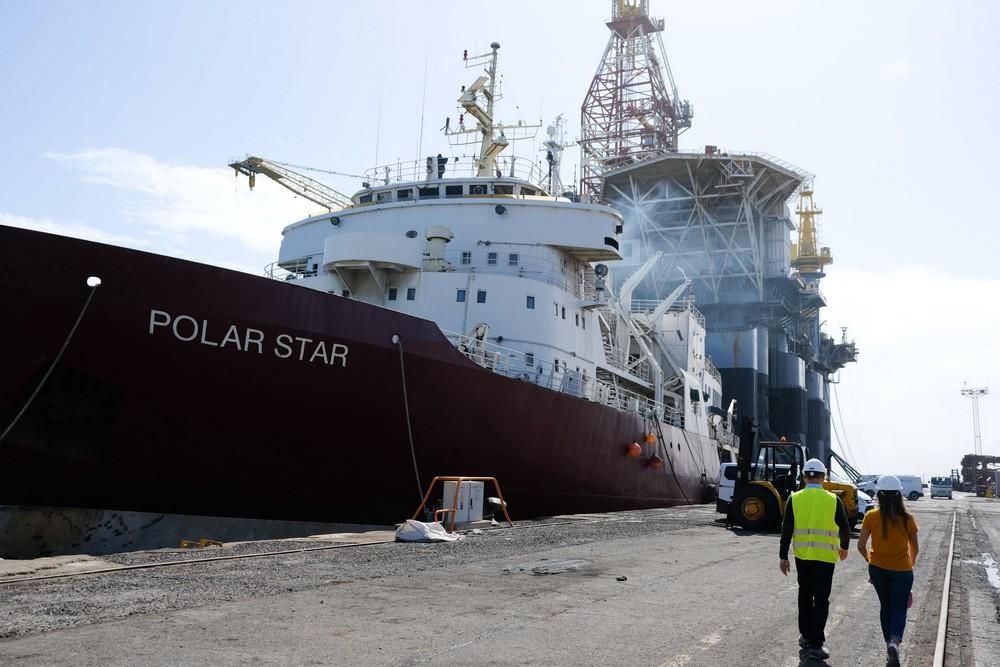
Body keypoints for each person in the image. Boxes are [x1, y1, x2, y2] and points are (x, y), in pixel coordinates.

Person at [779, 458, 851, 661]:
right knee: (821, 599)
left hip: (803, 557)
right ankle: (816, 643)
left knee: (804, 596)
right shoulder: (833, 499)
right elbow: (845, 527)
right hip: (826, 558)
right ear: (824, 477)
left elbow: (787, 529)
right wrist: (844, 547)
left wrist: (783, 556)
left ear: (804, 477)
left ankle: (805, 635)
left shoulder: (795, 498)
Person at [857, 474, 919, 666]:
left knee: (886, 606)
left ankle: (888, 646)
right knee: (899, 608)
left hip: (877, 569)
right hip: (902, 571)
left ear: (879, 495)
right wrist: (910, 564)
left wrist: (870, 560)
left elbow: (860, 545)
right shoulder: (908, 518)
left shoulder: (870, 516)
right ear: (899, 494)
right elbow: (915, 546)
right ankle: (894, 641)